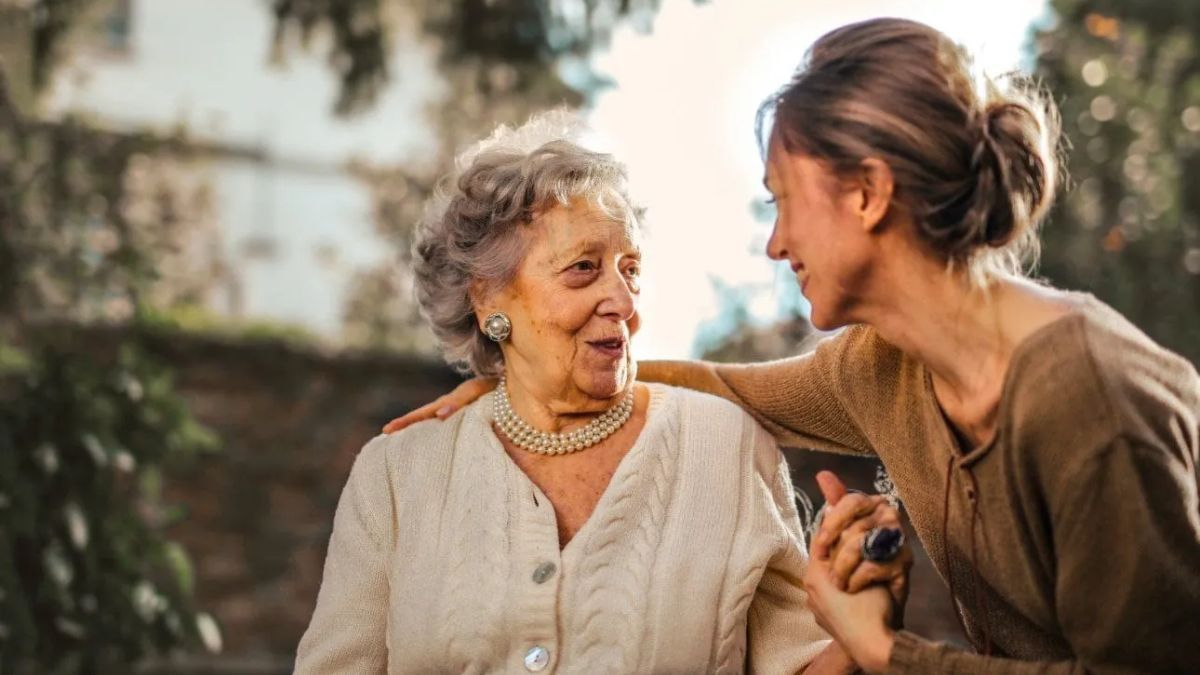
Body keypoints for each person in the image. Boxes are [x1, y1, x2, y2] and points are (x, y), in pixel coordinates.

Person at [383, 18, 1200, 674]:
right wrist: (525, 381)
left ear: (869, 193)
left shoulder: (1089, 401)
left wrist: (885, 650)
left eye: (783, 201)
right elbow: (724, 388)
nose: (775, 244)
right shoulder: (882, 366)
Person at [296, 114, 884, 673]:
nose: (625, 304)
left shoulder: (725, 446)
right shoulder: (397, 475)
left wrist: (860, 635)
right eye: (583, 268)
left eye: (630, 269)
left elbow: (801, 663)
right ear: (489, 300)